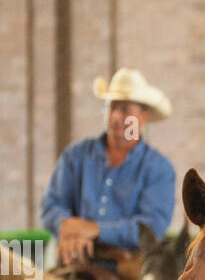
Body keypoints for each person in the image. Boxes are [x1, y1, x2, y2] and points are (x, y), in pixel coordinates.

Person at [41, 67, 175, 266]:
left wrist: (93, 230)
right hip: (73, 257)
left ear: (144, 115)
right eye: (112, 107)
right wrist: (69, 230)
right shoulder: (75, 155)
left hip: (128, 270)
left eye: (125, 109)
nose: (115, 117)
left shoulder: (159, 168)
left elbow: (151, 227)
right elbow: (52, 206)